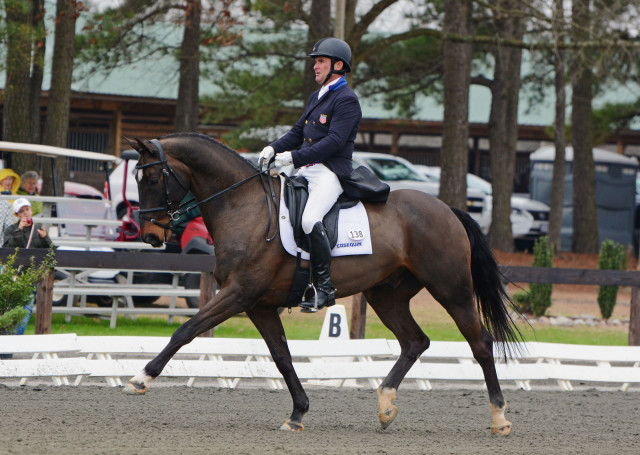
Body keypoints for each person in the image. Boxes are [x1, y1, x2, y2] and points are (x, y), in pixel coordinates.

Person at [259, 37, 361, 312]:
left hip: (330, 172)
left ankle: (324, 289)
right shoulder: (316, 96)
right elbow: (297, 133)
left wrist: (293, 157)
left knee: (309, 219)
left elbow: (334, 142)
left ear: (337, 65)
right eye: (315, 61)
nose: (315, 66)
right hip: (306, 169)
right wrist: (273, 148)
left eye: (321, 61)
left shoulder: (347, 99)